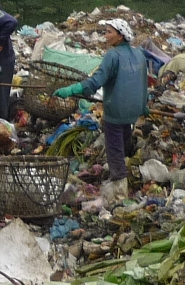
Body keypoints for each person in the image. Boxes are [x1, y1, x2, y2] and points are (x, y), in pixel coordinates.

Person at [54, 19, 147, 204]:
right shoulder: (139, 55)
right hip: (134, 109)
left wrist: (72, 90)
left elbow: (95, 82)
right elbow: (144, 81)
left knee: (114, 149)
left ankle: (120, 193)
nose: (105, 35)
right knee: (125, 138)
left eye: (109, 32)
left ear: (120, 35)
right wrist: (144, 105)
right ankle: (131, 170)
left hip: (116, 110)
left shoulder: (113, 56)